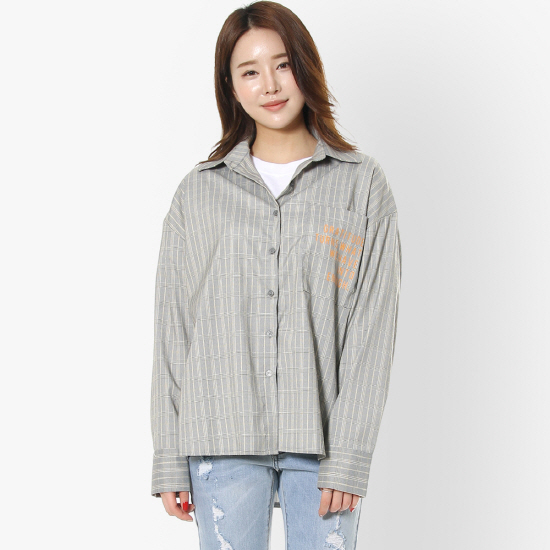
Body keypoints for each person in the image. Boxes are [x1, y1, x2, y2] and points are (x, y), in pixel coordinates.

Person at [150, 2, 402, 548]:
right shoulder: (198, 193)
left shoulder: (361, 185)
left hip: (323, 443)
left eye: (283, 64)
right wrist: (168, 456)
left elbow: (371, 332)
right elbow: (174, 331)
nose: (269, 84)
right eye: (249, 71)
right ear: (231, 87)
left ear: (306, 67)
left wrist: (350, 455)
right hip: (220, 436)